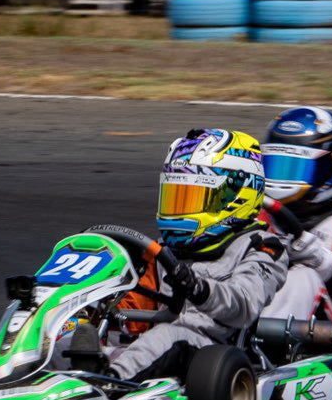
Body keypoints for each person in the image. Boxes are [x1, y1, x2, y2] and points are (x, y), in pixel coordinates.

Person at [106, 128, 288, 382]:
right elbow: (137, 303)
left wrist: (199, 288)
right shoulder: (164, 250)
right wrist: (103, 308)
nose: (178, 211)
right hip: (153, 347)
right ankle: (42, 376)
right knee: (82, 330)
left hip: (213, 354)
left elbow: (244, 304)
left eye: (191, 197)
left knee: (167, 337)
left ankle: (105, 386)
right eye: (175, 196)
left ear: (235, 195)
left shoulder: (263, 247)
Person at [258, 107, 332, 321]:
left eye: (295, 169)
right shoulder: (258, 215)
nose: (281, 179)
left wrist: (311, 253)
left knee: (302, 277)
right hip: (252, 302)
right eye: (276, 166)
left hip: (320, 332)